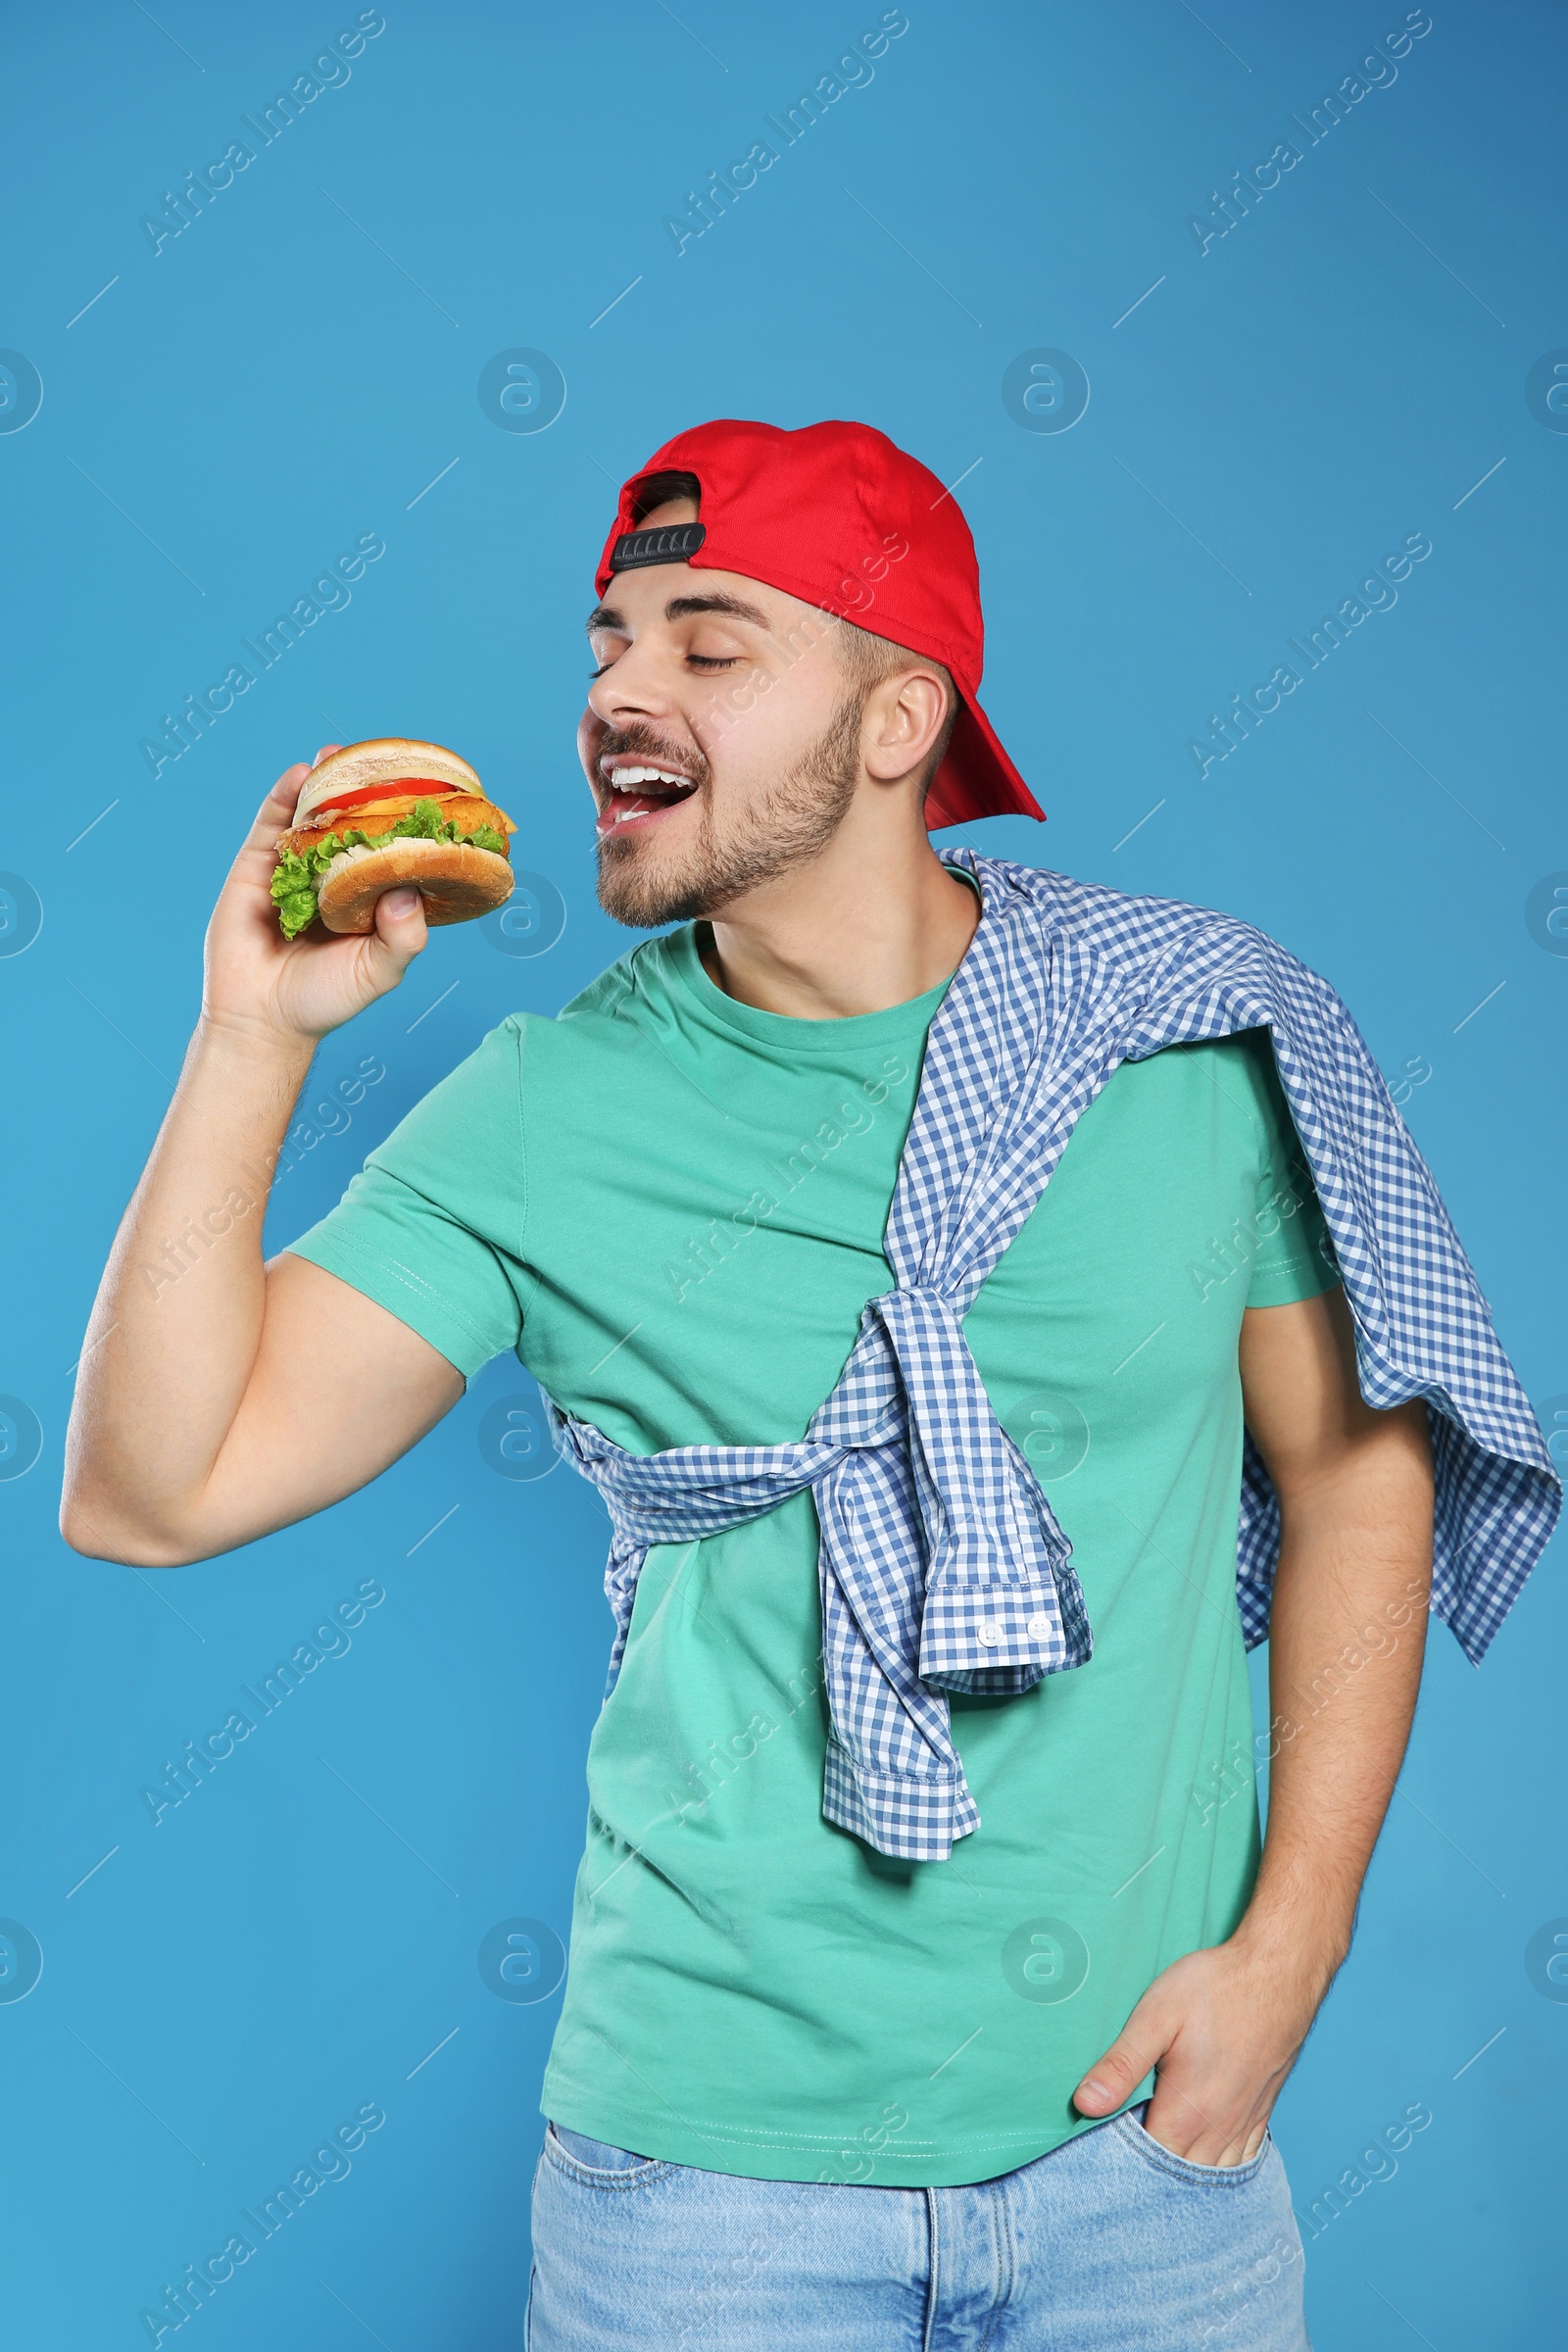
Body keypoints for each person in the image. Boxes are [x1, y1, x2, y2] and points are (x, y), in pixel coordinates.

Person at [63, 418, 1556, 2350]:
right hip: (697, 2203)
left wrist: (1289, 1952)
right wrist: (246, 1036)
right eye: (604, 641)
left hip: (1140, 2176)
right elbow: (149, 1491)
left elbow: (1356, 1474)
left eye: (705, 643)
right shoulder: (540, 1114)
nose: (615, 691)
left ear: (889, 721)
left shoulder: (1188, 1039)